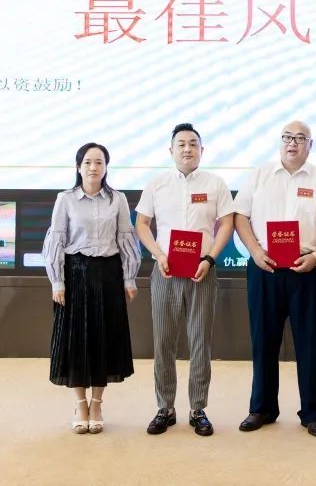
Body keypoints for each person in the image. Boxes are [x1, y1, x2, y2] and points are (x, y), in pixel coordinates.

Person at [233, 121, 316, 438]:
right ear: (280, 141)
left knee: (311, 343)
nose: (292, 143)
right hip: (266, 268)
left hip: (308, 269)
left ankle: (313, 413)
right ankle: (261, 408)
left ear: (310, 145)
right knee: (263, 340)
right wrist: (255, 251)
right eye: (287, 137)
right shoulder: (259, 175)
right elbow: (240, 216)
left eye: (300, 138)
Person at [135, 123, 234, 437]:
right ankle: (165, 408)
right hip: (165, 271)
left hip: (202, 271)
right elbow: (142, 224)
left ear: (202, 150)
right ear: (171, 150)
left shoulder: (215, 183)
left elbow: (227, 223)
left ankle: (198, 409)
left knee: (200, 341)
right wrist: (157, 254)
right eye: (181, 144)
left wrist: (209, 259)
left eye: (193, 144)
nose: (187, 149)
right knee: (163, 341)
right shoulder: (157, 184)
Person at [43, 142, 140, 435]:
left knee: (104, 339)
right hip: (75, 273)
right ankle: (80, 404)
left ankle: (97, 403)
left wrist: (129, 279)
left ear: (106, 167)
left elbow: (125, 238)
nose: (93, 167)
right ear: (78, 167)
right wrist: (57, 281)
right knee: (75, 340)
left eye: (99, 162)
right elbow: (57, 239)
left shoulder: (118, 199)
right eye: (87, 162)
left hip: (108, 273)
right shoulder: (65, 199)